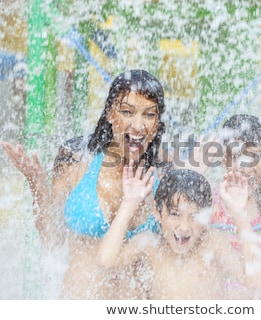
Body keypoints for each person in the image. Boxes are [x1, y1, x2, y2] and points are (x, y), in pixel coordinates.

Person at [0, 69, 166, 299]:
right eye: (127, 111)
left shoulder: (162, 177)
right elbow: (51, 239)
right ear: (110, 113)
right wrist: (36, 184)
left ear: (157, 124)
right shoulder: (76, 160)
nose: (139, 125)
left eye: (149, 115)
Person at [97, 167, 261, 299]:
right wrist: (129, 203)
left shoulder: (211, 242)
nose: (184, 228)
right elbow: (105, 261)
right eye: (175, 214)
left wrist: (238, 213)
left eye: (194, 217)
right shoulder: (149, 244)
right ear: (157, 212)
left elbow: (256, 280)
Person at [210, 114, 261, 298]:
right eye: (236, 156)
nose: (245, 166)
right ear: (222, 159)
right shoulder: (208, 204)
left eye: (254, 156)